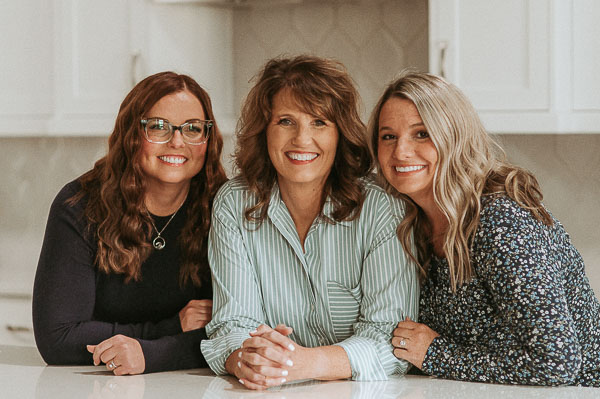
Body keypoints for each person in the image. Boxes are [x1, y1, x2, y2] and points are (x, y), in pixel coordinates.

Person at [201, 55, 419, 390]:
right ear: (264, 131)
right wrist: (244, 358)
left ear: (340, 134)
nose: (302, 139)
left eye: (319, 122)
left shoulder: (381, 207)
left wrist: (304, 363)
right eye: (286, 121)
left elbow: (391, 339)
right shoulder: (234, 203)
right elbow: (233, 322)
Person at [369, 71, 600, 386]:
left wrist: (436, 353)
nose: (400, 151)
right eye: (388, 136)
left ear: (454, 136)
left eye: (421, 133)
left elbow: (558, 363)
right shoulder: (409, 220)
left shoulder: (500, 221)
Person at [33, 71, 228, 375]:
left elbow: (235, 334)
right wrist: (171, 328)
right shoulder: (80, 206)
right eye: (158, 127)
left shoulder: (223, 208)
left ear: (208, 138)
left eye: (192, 128)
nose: (177, 141)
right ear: (131, 134)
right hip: (101, 387)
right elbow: (58, 338)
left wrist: (149, 354)